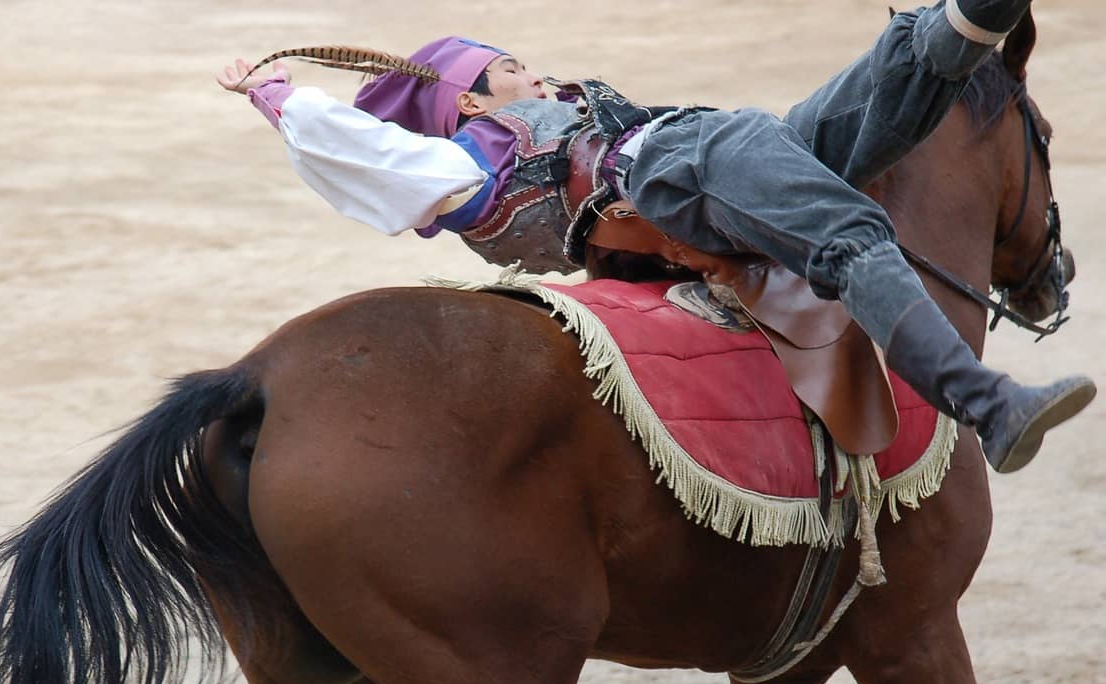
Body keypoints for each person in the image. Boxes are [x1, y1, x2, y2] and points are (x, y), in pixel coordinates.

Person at [216, 1, 1095, 473]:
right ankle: (989, 406)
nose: (533, 69)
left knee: (909, 59)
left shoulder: (505, 140)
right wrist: (278, 97)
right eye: (507, 67)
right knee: (853, 232)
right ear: (473, 102)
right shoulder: (465, 164)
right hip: (679, 166)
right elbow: (375, 154)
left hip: (739, 153)